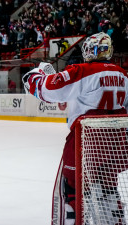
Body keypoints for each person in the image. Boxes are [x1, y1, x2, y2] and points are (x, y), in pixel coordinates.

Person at [22, 32, 128, 225]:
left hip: (86, 141)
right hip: (117, 143)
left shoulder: (82, 70)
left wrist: (34, 76)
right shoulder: (122, 74)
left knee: (71, 187)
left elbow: (48, 89)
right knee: (109, 188)